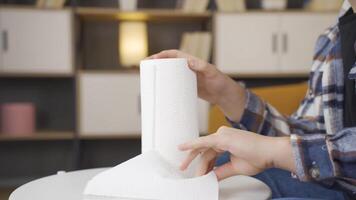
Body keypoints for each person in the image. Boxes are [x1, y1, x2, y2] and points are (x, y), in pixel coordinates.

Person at [147, 0, 356, 199]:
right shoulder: (332, 39)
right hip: (341, 185)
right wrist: (226, 94)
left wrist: (274, 151)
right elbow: (309, 141)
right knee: (216, 172)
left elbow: (287, 150)